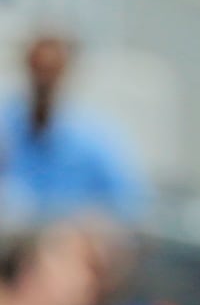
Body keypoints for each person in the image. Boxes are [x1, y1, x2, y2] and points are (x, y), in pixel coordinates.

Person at [0, 33, 149, 225]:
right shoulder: (6, 125)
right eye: (39, 69)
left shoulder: (95, 139)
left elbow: (130, 206)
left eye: (52, 71)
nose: (44, 81)